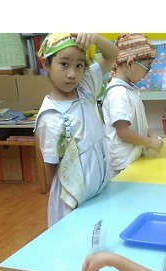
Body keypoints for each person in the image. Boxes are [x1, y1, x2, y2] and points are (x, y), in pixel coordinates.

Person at [35, 33, 118, 227]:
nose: (72, 74)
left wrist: (94, 37)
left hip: (99, 192)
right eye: (64, 64)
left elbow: (112, 54)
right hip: (73, 203)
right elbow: (50, 170)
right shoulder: (50, 117)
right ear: (46, 64)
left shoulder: (86, 87)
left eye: (79, 66)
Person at [102, 33, 163, 179]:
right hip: (122, 166)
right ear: (130, 63)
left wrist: (150, 134)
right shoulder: (118, 93)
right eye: (147, 68)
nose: (146, 74)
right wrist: (150, 143)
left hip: (133, 160)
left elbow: (138, 123)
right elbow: (123, 132)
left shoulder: (129, 90)